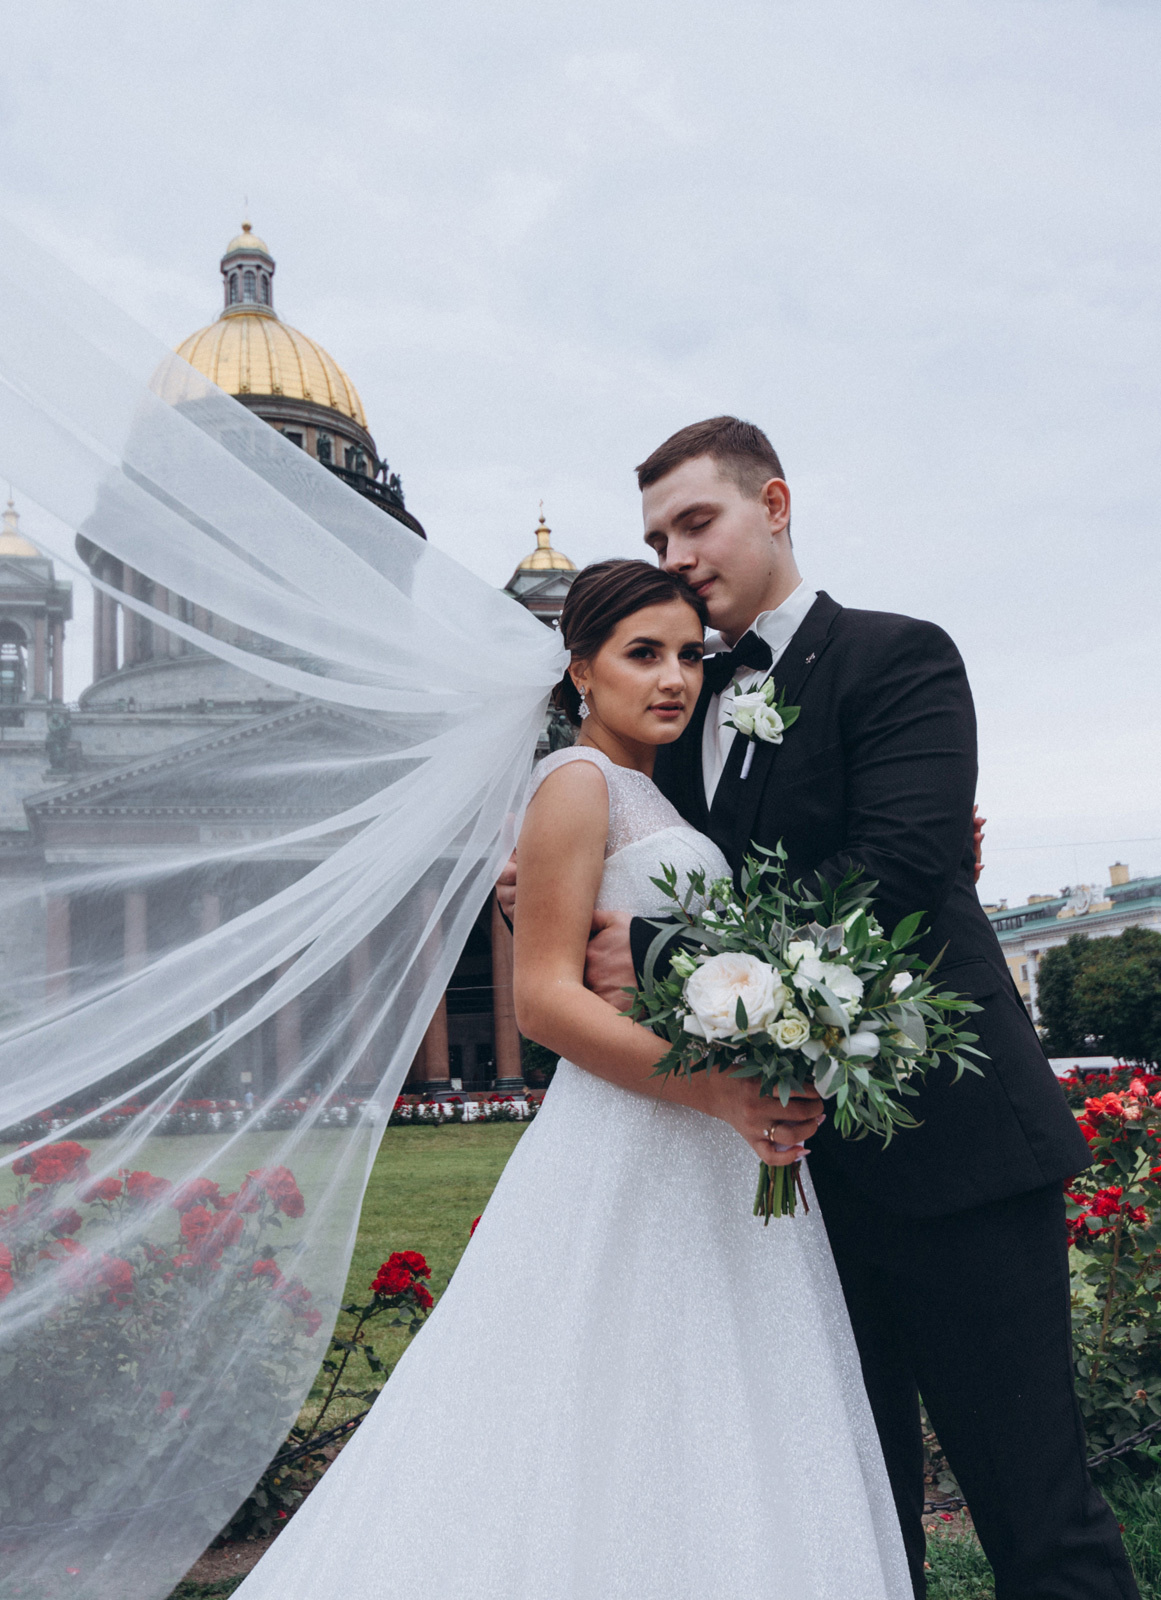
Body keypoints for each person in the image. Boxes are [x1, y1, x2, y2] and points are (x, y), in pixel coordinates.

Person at [507, 417, 1134, 1599]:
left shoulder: (900, 658)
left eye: (697, 521)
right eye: (654, 534)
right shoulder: (674, 720)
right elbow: (611, 871)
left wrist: (643, 945)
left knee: (1037, 1511)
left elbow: (892, 880)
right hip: (778, 1193)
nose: (678, 551)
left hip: (952, 1156)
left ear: (775, 504)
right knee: (844, 1513)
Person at [236, 559, 914, 1600]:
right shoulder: (574, 783)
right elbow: (542, 1001)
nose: (675, 677)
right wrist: (722, 1092)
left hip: (709, 1148)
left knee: (703, 1407)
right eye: (643, 653)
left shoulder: (651, 787)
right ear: (579, 670)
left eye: (689, 653)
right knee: (604, 1399)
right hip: (641, 1136)